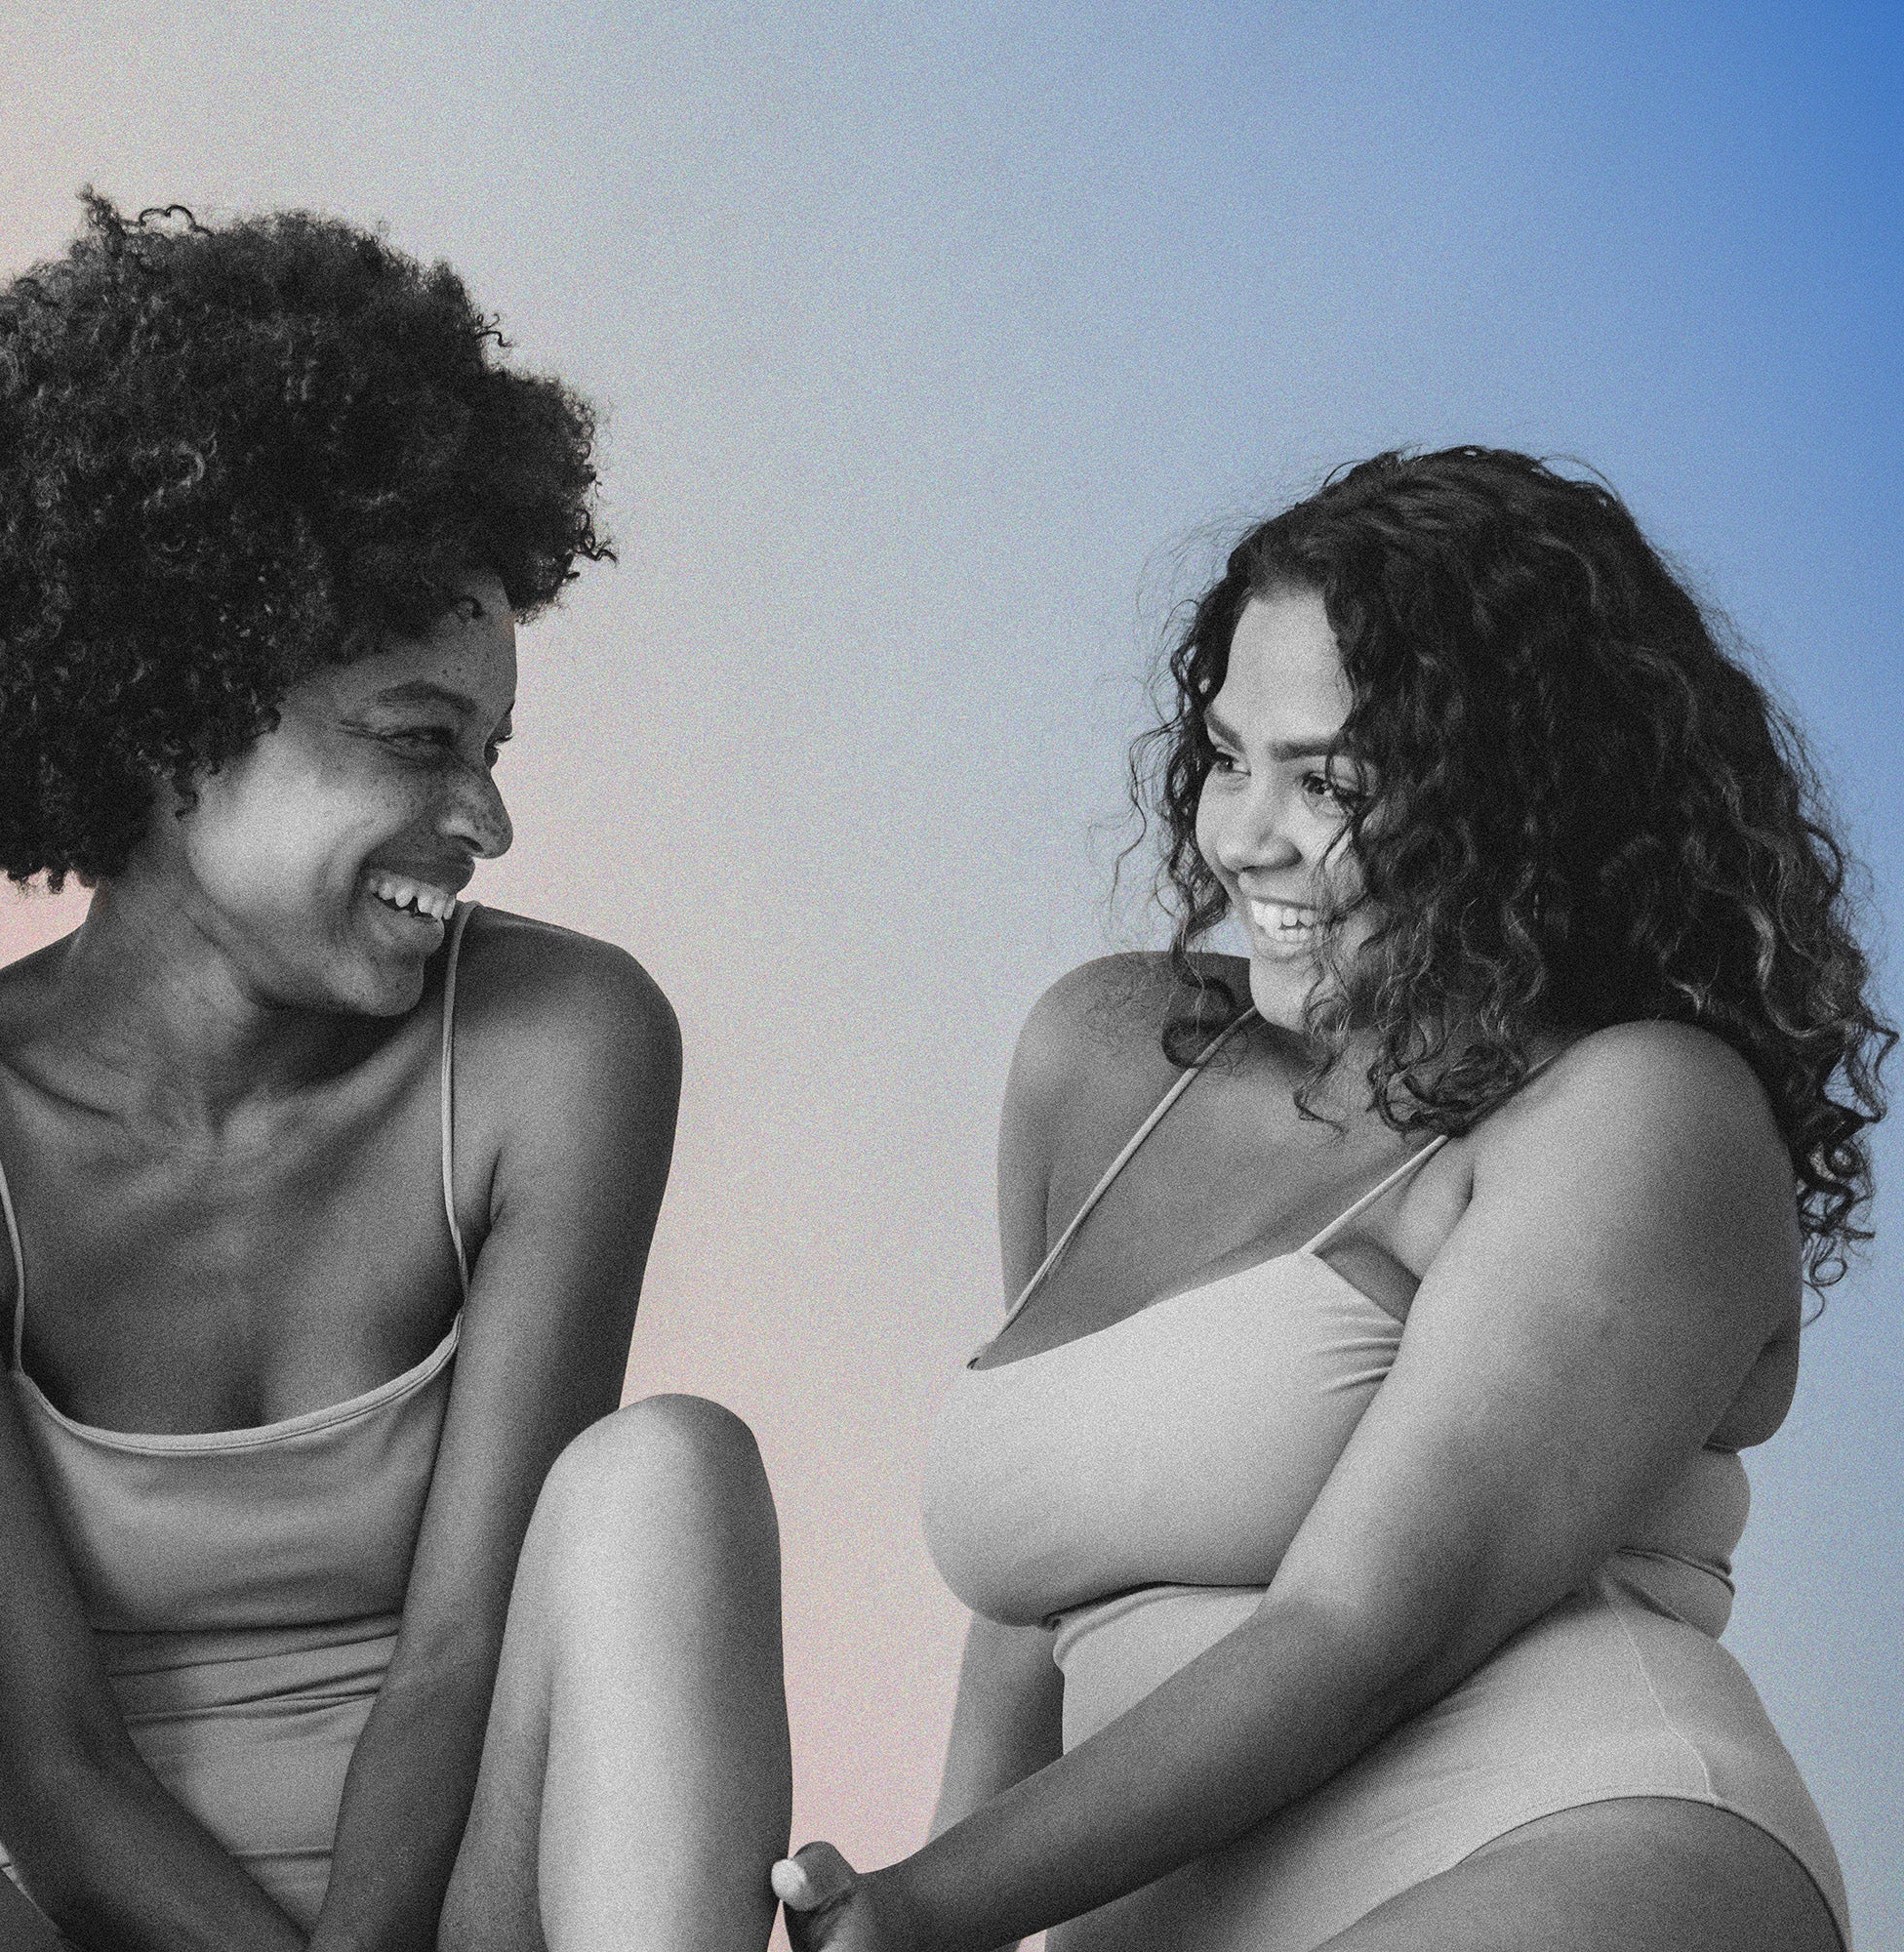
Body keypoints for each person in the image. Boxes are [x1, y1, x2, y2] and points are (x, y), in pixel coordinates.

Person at [0, 195, 792, 1952]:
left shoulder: (564, 1043)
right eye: (418, 742)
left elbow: (465, 1649)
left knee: (665, 1474)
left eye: (488, 749)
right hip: (140, 1928)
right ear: (173, 722)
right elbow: (54, 1773)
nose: (482, 819)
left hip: (498, 1900)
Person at [777, 447, 1883, 1952]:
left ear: (1523, 799)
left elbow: (1363, 1627)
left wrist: (921, 1913)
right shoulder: (1107, 1054)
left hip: (1557, 1845)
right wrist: (933, 1912)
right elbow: (1032, 1615)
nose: (1246, 837)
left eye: (1332, 780)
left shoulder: (1642, 1113)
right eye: (1231, 756)